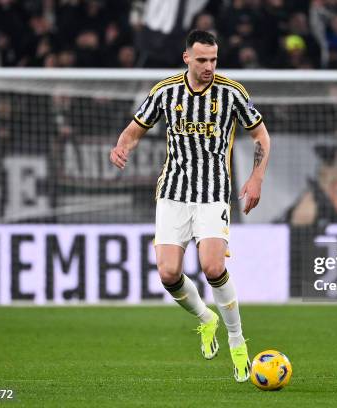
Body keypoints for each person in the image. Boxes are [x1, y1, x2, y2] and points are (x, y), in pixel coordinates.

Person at [109, 30, 270, 382]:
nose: (209, 66)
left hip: (213, 193)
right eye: (202, 60)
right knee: (168, 273)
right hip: (173, 191)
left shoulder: (231, 93)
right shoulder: (166, 91)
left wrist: (256, 178)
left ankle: (237, 339)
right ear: (187, 58)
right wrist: (122, 147)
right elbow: (134, 131)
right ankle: (205, 317)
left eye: (213, 59)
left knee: (212, 266)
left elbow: (260, 135)